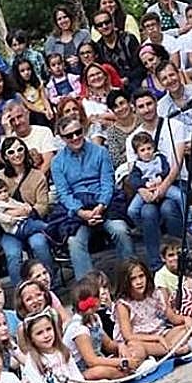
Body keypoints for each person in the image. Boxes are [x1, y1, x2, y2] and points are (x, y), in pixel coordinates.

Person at [50, 115, 134, 278]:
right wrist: (82, 212)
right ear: (62, 138)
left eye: (78, 132)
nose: (75, 137)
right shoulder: (57, 162)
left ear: (83, 129)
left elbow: (107, 182)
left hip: (103, 204)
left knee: (120, 230)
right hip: (77, 210)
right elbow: (64, 193)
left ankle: (131, 277)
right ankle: (89, 291)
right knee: (74, 242)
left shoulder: (100, 152)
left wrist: (100, 207)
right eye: (69, 135)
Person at [18, 310, 129, 383]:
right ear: (31, 338)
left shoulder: (62, 351)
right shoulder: (32, 361)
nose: (46, 335)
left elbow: (75, 374)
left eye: (48, 329)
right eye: (39, 333)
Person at [114, 258, 192, 359]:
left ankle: (171, 349)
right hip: (143, 339)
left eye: (141, 276)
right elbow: (128, 336)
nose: (139, 282)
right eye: (133, 279)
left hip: (163, 334)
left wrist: (185, 319)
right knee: (136, 348)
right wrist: (156, 338)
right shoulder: (123, 304)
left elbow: (172, 317)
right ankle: (173, 349)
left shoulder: (154, 294)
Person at [63, 277, 145, 381]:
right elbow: (91, 361)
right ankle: (130, 373)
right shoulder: (78, 328)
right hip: (82, 370)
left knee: (135, 347)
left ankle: (129, 371)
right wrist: (122, 362)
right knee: (101, 371)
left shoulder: (95, 318)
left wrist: (120, 346)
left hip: (100, 360)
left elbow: (109, 345)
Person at [126, 131, 184, 271]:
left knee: (179, 196)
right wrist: (144, 185)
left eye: (149, 149)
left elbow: (166, 170)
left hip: (163, 185)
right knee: (133, 210)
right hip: (146, 191)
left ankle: (188, 221)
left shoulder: (160, 158)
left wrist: (160, 179)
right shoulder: (137, 165)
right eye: (142, 150)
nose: (146, 152)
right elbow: (133, 180)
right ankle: (140, 229)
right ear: (137, 153)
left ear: (153, 148)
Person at [0, 175, 54, 286]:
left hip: (30, 217)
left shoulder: (36, 175)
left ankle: (50, 283)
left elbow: (42, 205)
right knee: (13, 254)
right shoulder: (1, 177)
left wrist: (27, 209)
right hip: (13, 229)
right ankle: (20, 289)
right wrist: (10, 217)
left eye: (5, 191)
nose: (4, 194)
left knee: (39, 244)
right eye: (0, 193)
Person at [42, 6, 91, 73]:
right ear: (56, 23)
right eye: (59, 19)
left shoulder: (84, 34)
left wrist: (79, 59)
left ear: (70, 18)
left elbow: (91, 55)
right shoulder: (51, 41)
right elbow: (50, 64)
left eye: (65, 17)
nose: (63, 21)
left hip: (85, 73)